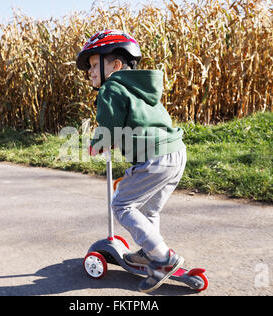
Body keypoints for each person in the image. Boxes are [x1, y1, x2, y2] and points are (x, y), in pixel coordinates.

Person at [76, 30, 188, 294]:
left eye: (94, 65)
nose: (90, 72)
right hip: (175, 153)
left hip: (153, 158)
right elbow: (136, 123)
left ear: (115, 66)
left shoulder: (111, 87)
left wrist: (97, 144)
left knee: (123, 205)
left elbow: (109, 126)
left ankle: (163, 258)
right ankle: (150, 253)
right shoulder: (140, 88)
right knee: (148, 210)